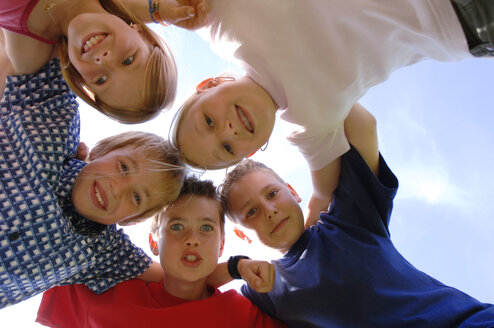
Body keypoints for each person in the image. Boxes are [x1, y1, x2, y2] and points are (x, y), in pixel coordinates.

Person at [169, 0, 494, 225]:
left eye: (208, 122)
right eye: (227, 148)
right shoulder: (306, 128)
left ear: (208, 85)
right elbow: (322, 195)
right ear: (251, 151)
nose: (227, 130)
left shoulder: (225, 24)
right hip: (462, 22)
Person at [217, 103, 494, 327]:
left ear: (293, 191)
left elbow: (362, 124)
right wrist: (237, 266)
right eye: (251, 212)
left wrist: (279, 95)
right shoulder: (264, 286)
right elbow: (194, 284)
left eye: (272, 194)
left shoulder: (346, 220)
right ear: (241, 233)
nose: (269, 210)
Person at [0, 57, 186, 308]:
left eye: (137, 198)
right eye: (123, 167)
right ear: (101, 150)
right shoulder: (54, 127)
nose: (117, 188)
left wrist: (236, 266)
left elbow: (176, 282)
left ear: (131, 219)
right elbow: (44, 37)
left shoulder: (101, 251)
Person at [36, 176, 287, 328]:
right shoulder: (105, 293)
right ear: (153, 242)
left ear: (221, 245)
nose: (192, 239)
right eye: (176, 226)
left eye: (206, 228)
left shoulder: (241, 314)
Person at [0, 0, 209, 123]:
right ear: (144, 36)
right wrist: (156, 10)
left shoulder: (27, 55)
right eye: (128, 60)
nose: (104, 60)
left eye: (101, 80)